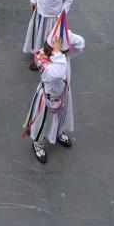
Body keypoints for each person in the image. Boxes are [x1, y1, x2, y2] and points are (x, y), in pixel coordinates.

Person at [22, 11, 83, 164]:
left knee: (62, 116)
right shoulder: (42, 59)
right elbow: (58, 73)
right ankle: (38, 142)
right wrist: (58, 52)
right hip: (47, 97)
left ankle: (58, 132)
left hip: (63, 94)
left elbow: (81, 43)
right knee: (43, 120)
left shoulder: (62, 55)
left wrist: (66, 35)